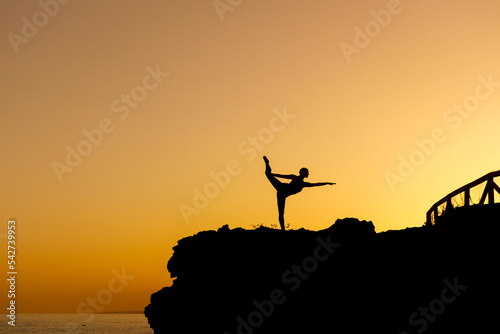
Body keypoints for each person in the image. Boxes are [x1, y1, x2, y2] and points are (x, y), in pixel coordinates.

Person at [263, 156, 335, 230]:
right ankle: (267, 163)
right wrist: (272, 175)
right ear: (303, 173)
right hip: (281, 187)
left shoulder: (303, 184)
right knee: (268, 173)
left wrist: (326, 183)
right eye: (307, 172)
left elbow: (316, 184)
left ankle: (282, 230)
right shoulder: (294, 177)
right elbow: (282, 176)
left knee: (281, 213)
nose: (308, 174)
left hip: (282, 194)